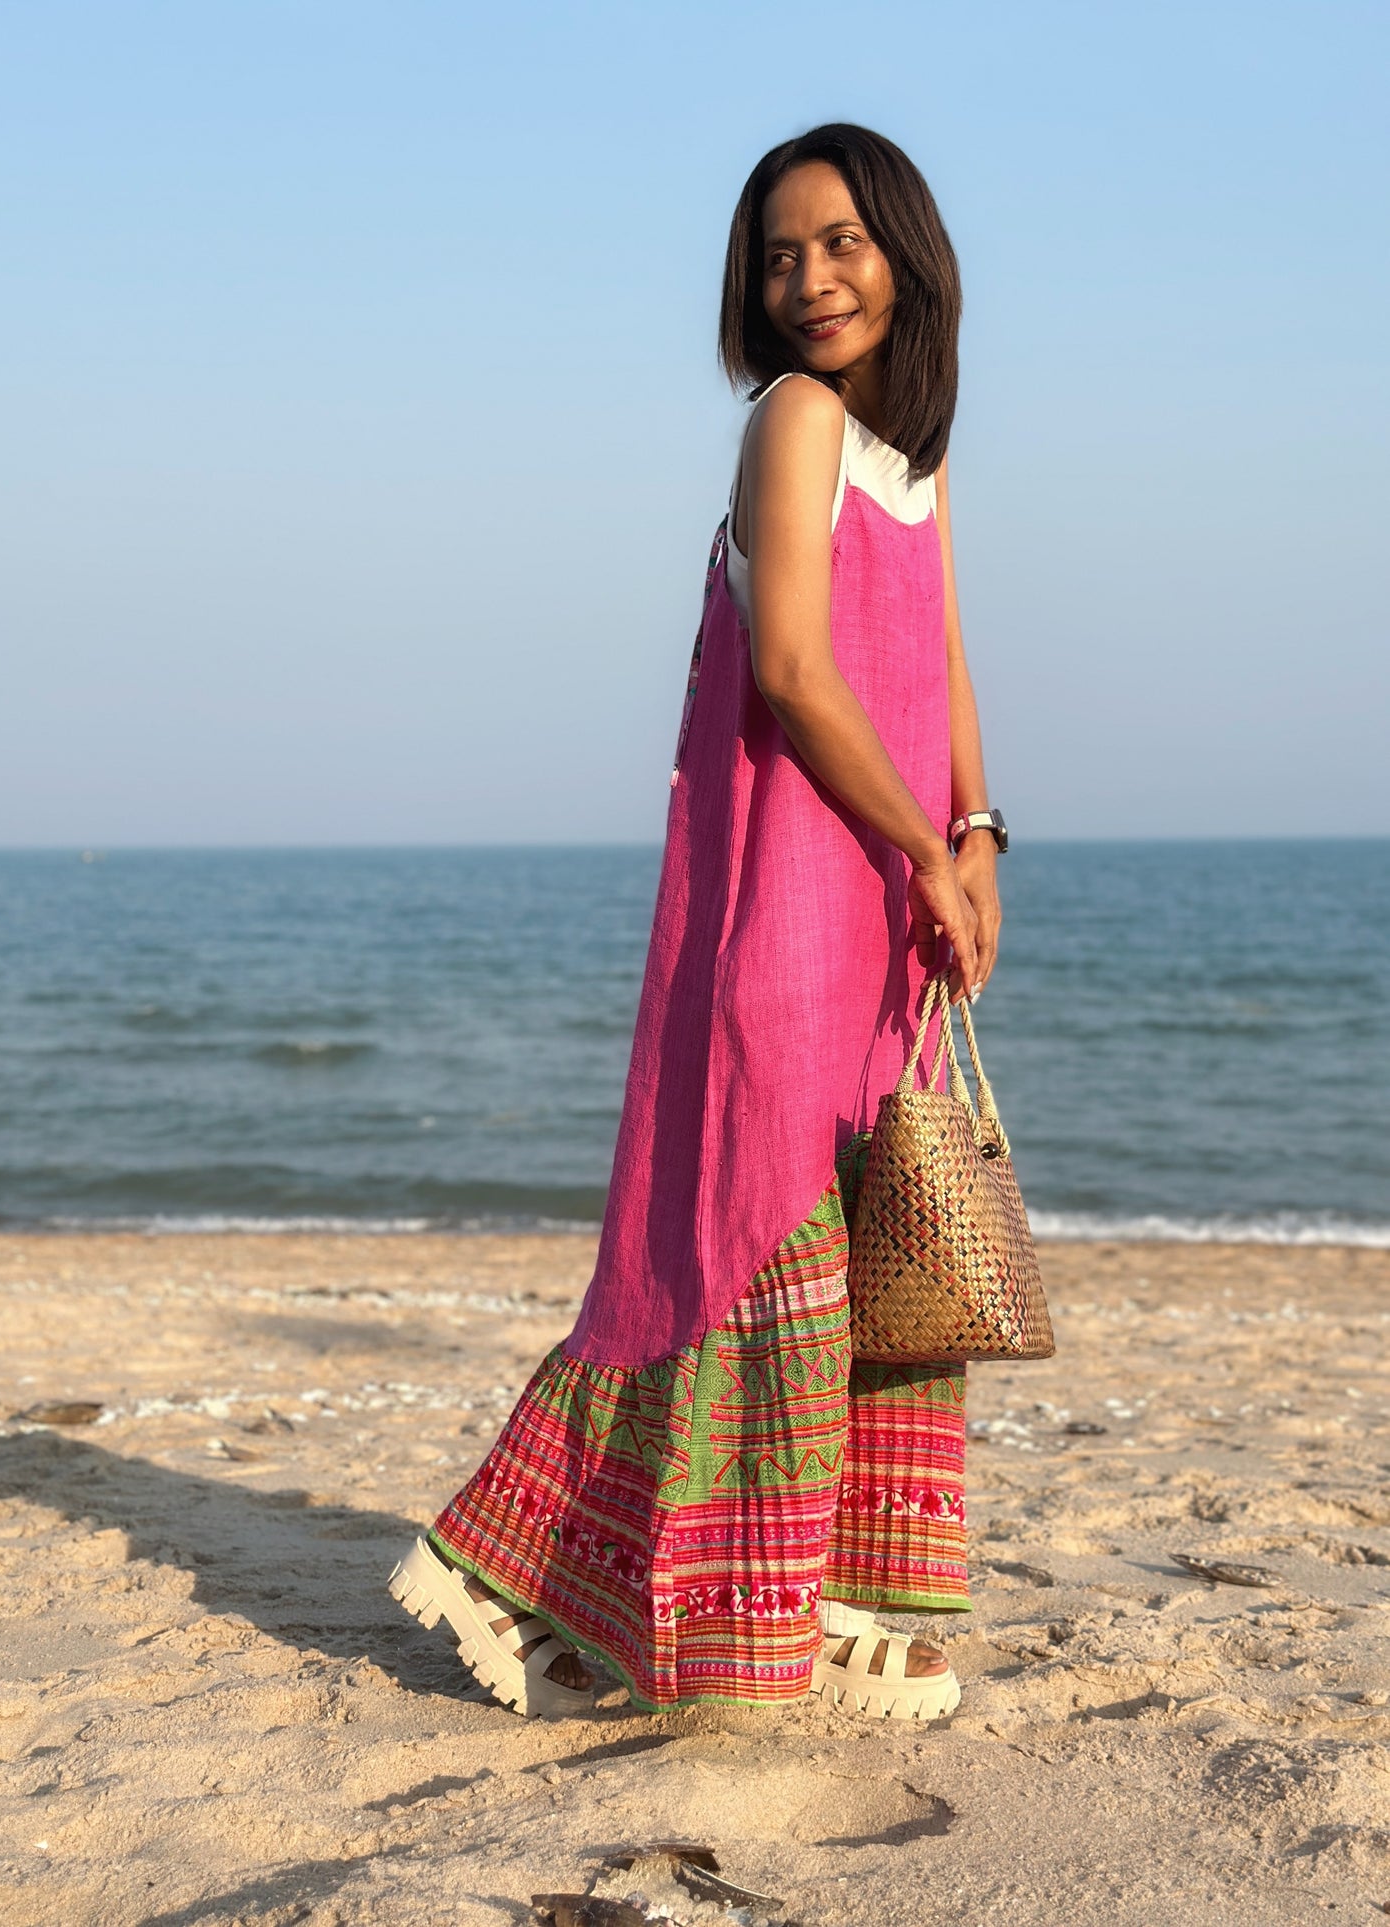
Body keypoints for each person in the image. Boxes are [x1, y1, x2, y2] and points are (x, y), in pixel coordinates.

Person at [390, 123, 1006, 1722]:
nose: (807, 279)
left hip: (882, 909)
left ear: (905, 254)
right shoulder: (792, 421)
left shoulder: (910, 449)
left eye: (839, 242)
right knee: (759, 1258)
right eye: (778, 252)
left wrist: (977, 830)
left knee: (880, 1264)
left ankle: (842, 1615)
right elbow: (795, 668)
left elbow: (937, 657)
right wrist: (922, 855)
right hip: (788, 912)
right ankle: (584, 1592)